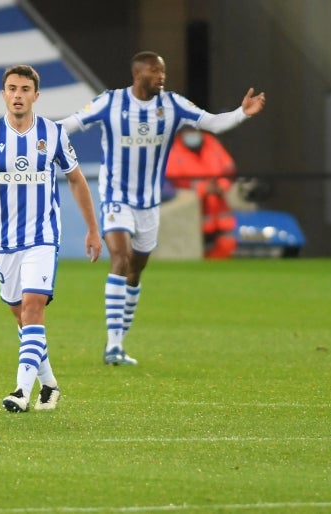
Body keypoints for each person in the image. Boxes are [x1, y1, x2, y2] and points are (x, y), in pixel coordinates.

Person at [60, 51, 265, 366]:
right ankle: (113, 345)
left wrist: (241, 113)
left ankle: (119, 342)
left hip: (149, 204)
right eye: (155, 71)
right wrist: (34, 136)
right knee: (120, 257)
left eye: (163, 71)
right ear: (137, 74)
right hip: (116, 197)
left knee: (136, 270)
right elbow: (69, 125)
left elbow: (212, 123)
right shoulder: (110, 102)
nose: (161, 76)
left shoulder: (172, 105)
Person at [0, 64, 102, 413]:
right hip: (3, 243)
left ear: (36, 95)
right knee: (22, 318)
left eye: (24, 89)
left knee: (34, 308)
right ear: (3, 94)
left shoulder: (54, 134)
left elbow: (77, 180)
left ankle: (20, 391)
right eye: (12, 89)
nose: (17, 95)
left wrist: (93, 229)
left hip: (42, 237)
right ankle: (49, 384)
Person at [165, 126, 238, 259]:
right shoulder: (174, 149)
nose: (193, 135)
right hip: (192, 213)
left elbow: (229, 168)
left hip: (218, 211)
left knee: (226, 243)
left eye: (195, 131)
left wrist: (222, 185)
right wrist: (203, 188)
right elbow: (173, 177)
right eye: (188, 132)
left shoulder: (211, 143)